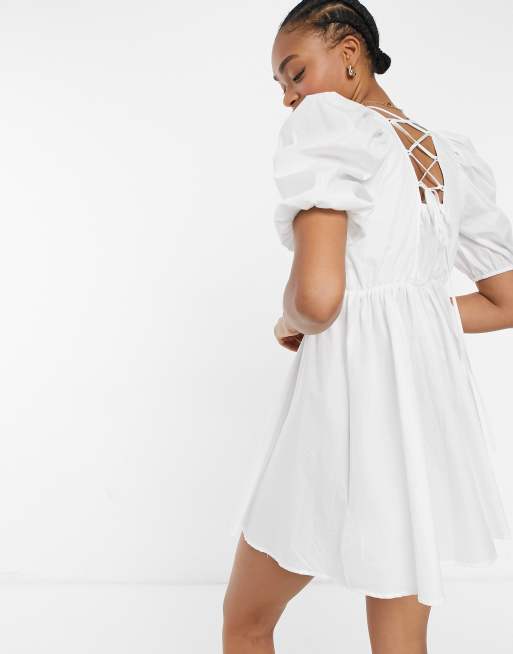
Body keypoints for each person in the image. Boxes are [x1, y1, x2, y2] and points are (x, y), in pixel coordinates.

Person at [222, 1, 513, 652]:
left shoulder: (328, 124)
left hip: (341, 405)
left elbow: (317, 298)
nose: (289, 97)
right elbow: (506, 300)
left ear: (349, 52)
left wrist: (289, 320)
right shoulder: (448, 155)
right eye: (280, 85)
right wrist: (409, 313)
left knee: (246, 623)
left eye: (295, 72)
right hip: (417, 422)